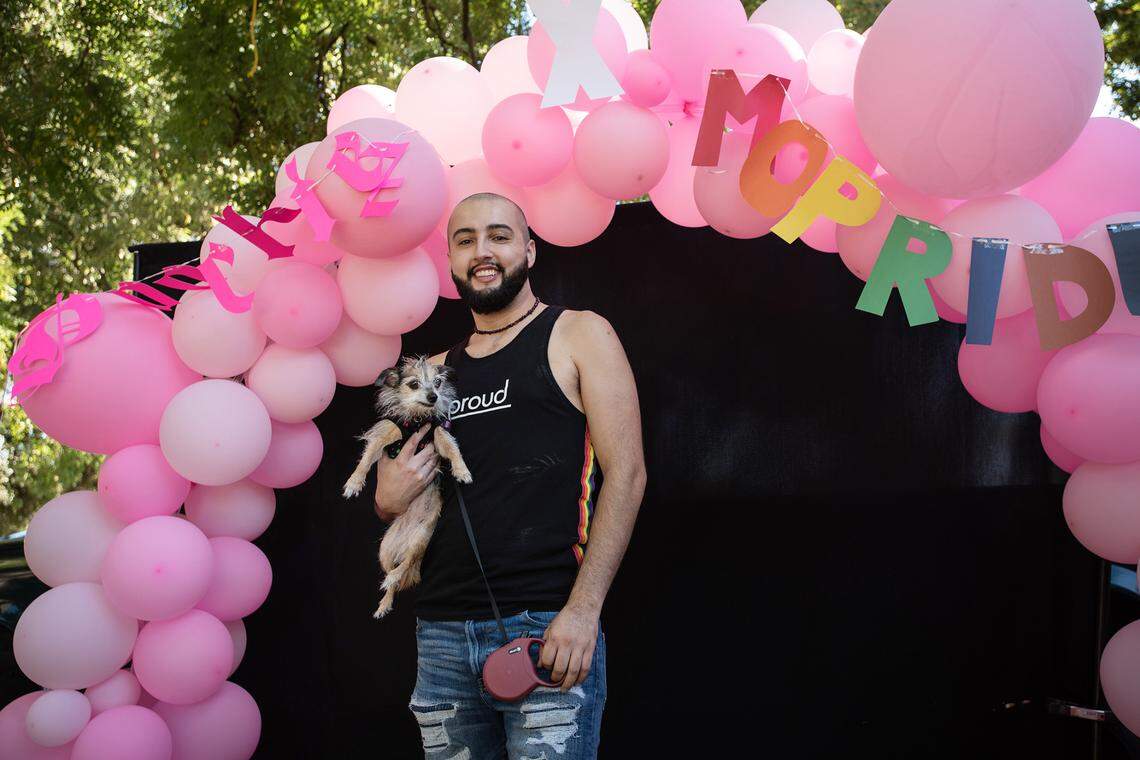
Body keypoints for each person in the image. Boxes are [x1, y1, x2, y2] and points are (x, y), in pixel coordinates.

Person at [373, 192, 646, 758]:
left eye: (498, 235)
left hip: (547, 627)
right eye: (465, 240)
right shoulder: (433, 374)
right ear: (450, 263)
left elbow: (628, 475)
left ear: (529, 248)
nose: (482, 251)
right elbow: (403, 498)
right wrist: (387, 499)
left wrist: (584, 609)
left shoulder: (579, 334)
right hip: (442, 636)